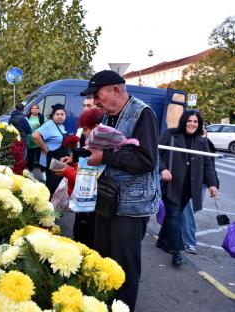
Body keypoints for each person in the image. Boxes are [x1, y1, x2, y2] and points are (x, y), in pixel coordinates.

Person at [80, 70, 160, 311]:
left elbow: (146, 160)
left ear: (116, 90)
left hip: (131, 207)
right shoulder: (109, 116)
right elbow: (105, 150)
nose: (95, 101)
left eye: (97, 95)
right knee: (104, 261)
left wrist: (103, 155)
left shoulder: (143, 113)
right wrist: (80, 156)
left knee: (124, 268)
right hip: (108, 200)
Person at [157, 110, 218, 263]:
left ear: (199, 125)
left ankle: (162, 241)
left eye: (195, 122)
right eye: (189, 121)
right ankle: (176, 251)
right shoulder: (171, 135)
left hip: (190, 187)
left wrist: (212, 184)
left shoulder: (201, 142)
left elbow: (208, 164)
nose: (192, 124)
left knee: (173, 215)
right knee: (174, 215)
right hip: (171, 184)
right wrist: (163, 169)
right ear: (184, 121)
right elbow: (155, 153)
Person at [52, 108, 103, 247]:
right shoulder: (92, 145)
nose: (84, 133)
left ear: (97, 128)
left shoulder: (99, 149)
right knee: (79, 233)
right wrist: (72, 162)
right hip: (81, 203)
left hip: (88, 204)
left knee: (84, 239)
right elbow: (83, 169)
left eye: (86, 129)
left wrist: (67, 171)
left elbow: (88, 179)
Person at [180, 125, 220, 254]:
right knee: (189, 212)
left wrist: (213, 184)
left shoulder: (206, 142)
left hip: (201, 183)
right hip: (188, 183)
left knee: (194, 209)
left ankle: (170, 229)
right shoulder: (184, 140)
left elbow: (210, 164)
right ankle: (189, 242)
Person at [32, 104, 70, 195]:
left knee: (59, 185)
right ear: (53, 116)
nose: (60, 116)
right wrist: (44, 147)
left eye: (62, 114)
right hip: (53, 160)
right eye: (57, 114)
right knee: (53, 185)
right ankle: (50, 206)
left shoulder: (61, 126)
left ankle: (56, 205)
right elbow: (35, 135)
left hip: (61, 159)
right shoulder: (49, 125)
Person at [26, 104, 45, 180]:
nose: (35, 110)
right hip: (29, 142)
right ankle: (30, 173)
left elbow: (46, 126)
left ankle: (43, 174)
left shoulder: (42, 117)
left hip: (38, 141)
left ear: (38, 110)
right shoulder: (27, 117)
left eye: (36, 108)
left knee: (40, 159)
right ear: (31, 110)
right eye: (33, 108)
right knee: (30, 159)